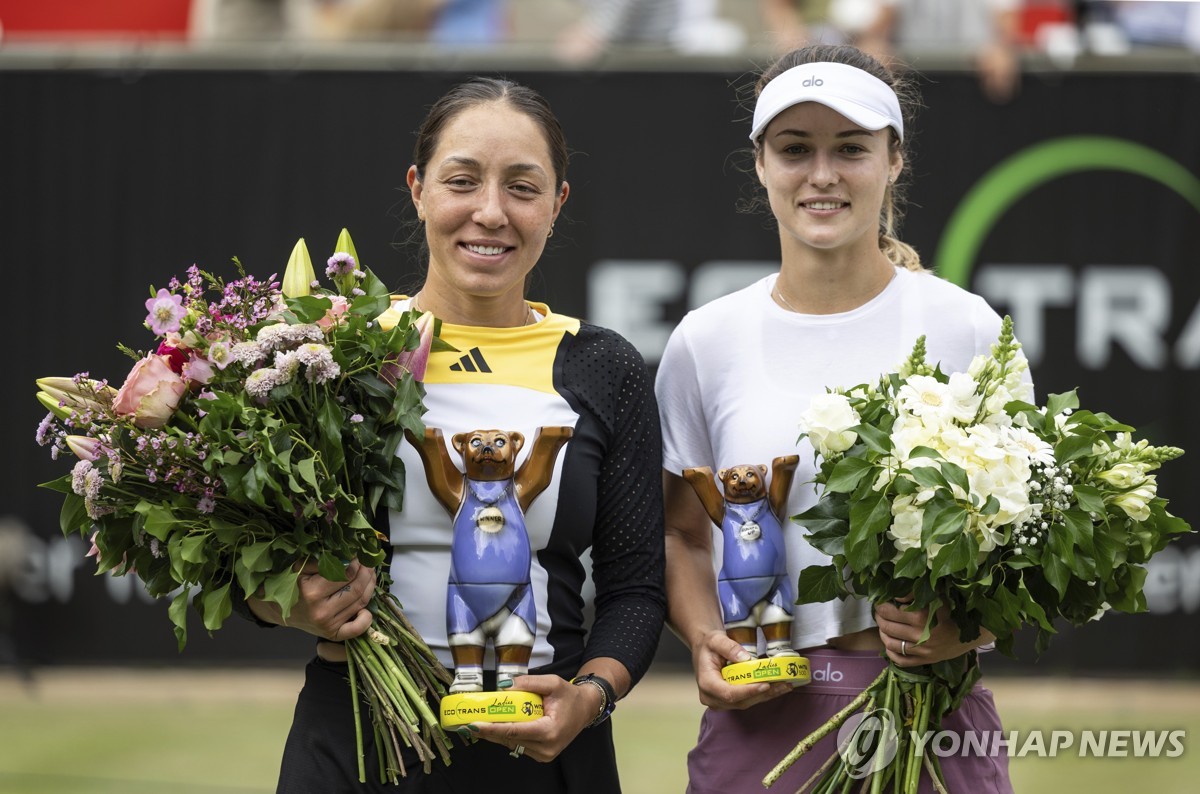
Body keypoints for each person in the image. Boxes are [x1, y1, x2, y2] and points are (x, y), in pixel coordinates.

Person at [239, 77, 667, 792]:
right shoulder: (332, 354)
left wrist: (589, 698)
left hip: (545, 752)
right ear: (419, 188)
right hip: (356, 741)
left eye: (523, 188)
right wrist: (284, 599)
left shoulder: (604, 366)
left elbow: (635, 592)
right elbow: (249, 563)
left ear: (557, 204)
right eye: (462, 181)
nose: (490, 213)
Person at [655, 43, 1014, 792]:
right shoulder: (704, 341)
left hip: (931, 719)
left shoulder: (969, 329)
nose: (822, 175)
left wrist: (967, 627)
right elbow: (683, 533)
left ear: (895, 160)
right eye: (796, 149)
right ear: (760, 163)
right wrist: (703, 640)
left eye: (850, 148)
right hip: (760, 715)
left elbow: (1022, 542)